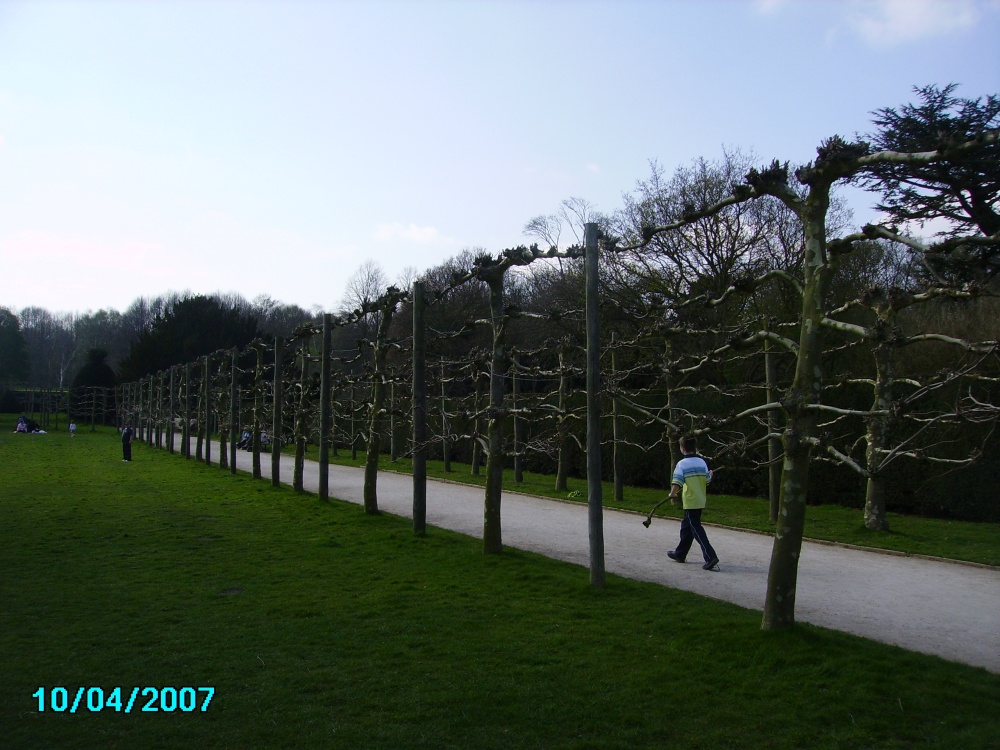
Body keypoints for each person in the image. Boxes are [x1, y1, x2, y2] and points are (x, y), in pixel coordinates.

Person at [667, 435, 720, 571]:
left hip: (690, 500)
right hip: (700, 499)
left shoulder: (682, 464)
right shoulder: (701, 462)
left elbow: (677, 480)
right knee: (687, 527)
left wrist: (672, 493)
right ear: (694, 448)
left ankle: (710, 556)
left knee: (696, 528)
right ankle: (680, 553)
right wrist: (711, 475)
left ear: (682, 448)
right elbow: (707, 481)